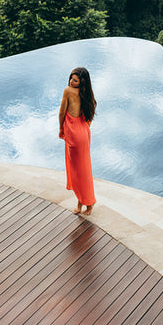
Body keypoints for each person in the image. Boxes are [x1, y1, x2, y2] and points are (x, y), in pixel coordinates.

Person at [59, 67, 97, 215]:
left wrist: (61, 128)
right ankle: (84, 204)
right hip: (84, 133)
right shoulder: (86, 94)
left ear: (82, 82)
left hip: (74, 136)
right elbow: (92, 110)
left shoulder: (68, 91)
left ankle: (89, 203)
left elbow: (62, 112)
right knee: (84, 170)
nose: (71, 81)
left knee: (78, 172)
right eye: (71, 78)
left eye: (75, 80)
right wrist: (85, 127)